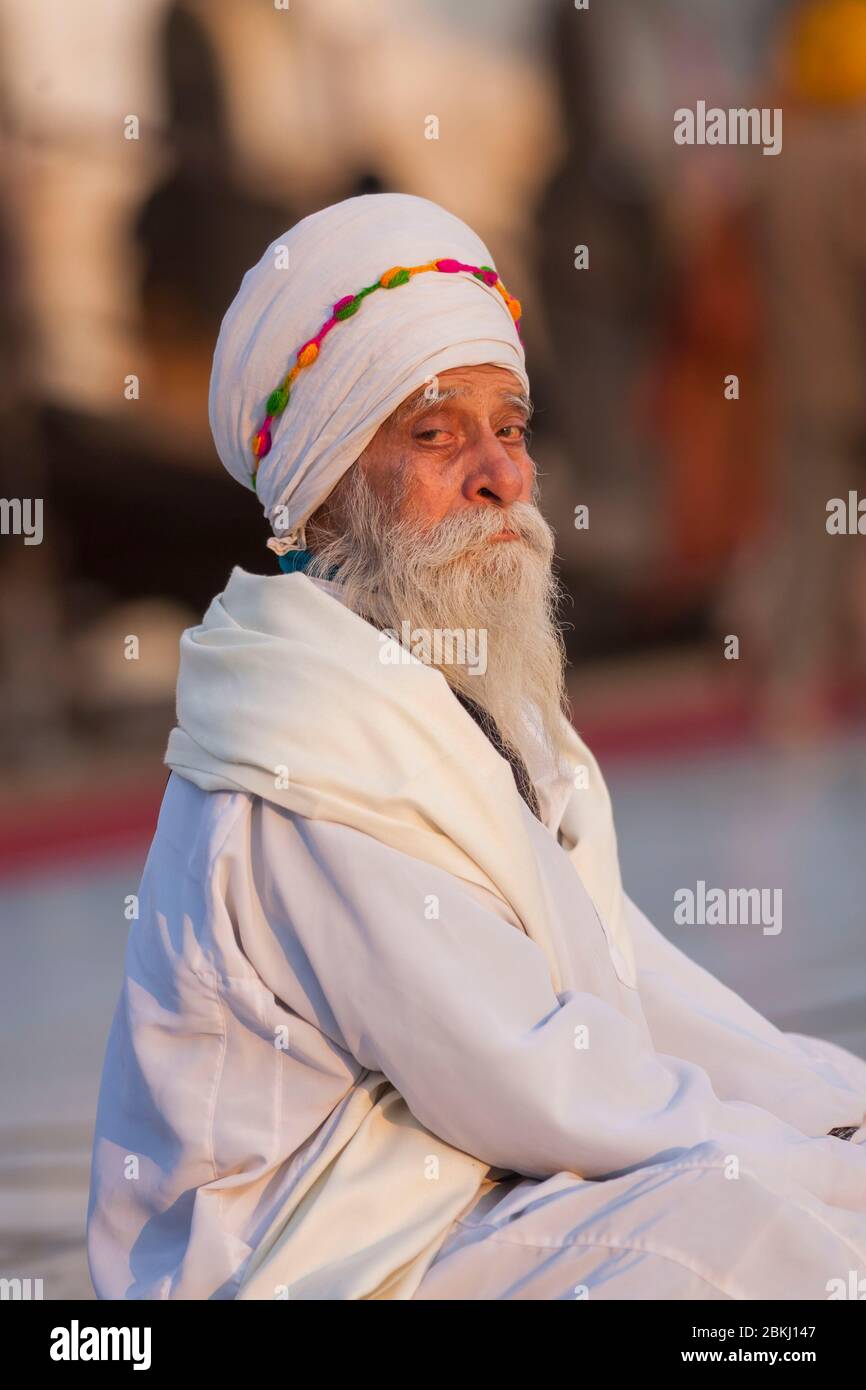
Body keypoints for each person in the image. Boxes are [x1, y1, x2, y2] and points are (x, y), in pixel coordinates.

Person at [86, 193, 866, 1301]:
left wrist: (833, 1107)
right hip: (304, 1267)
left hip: (458, 1204)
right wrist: (812, 1170)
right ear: (321, 490)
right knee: (735, 1236)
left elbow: (634, 997)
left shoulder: (464, 709)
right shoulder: (302, 757)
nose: (499, 476)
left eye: (510, 428)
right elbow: (530, 1082)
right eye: (435, 434)